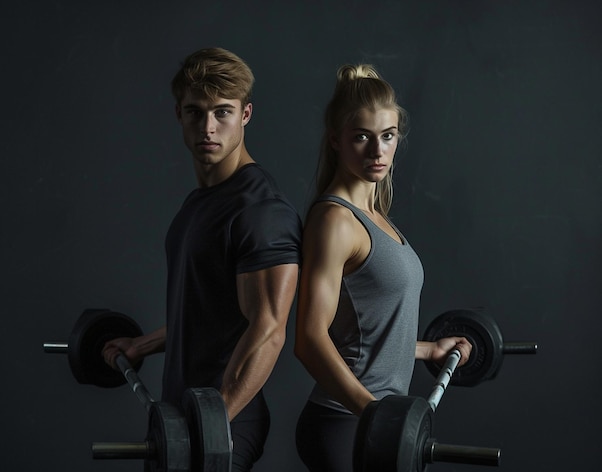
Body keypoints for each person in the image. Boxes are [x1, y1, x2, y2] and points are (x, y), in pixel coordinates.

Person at [101, 47, 301, 471]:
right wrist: (142, 345)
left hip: (223, 422)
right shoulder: (200, 203)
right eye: (195, 112)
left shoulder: (260, 209)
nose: (207, 128)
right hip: (181, 417)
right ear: (179, 114)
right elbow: (206, 313)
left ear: (246, 114)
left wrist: (212, 423)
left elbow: (269, 329)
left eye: (222, 113)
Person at [293, 64, 472, 471]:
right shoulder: (335, 221)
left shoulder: (377, 217)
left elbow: (363, 338)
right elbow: (308, 339)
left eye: (387, 137)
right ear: (336, 140)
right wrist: (373, 413)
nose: (378, 151)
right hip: (343, 423)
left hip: (372, 422)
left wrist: (428, 350)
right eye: (362, 137)